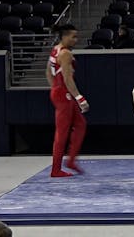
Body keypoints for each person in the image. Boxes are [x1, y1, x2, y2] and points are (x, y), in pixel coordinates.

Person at [46, 24, 89, 178]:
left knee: (80, 124)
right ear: (64, 36)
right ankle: (55, 169)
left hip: (59, 92)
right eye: (73, 36)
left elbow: (48, 71)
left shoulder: (55, 49)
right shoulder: (65, 54)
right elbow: (67, 78)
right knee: (62, 133)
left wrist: (54, 88)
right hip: (65, 94)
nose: (75, 40)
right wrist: (80, 98)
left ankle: (71, 160)